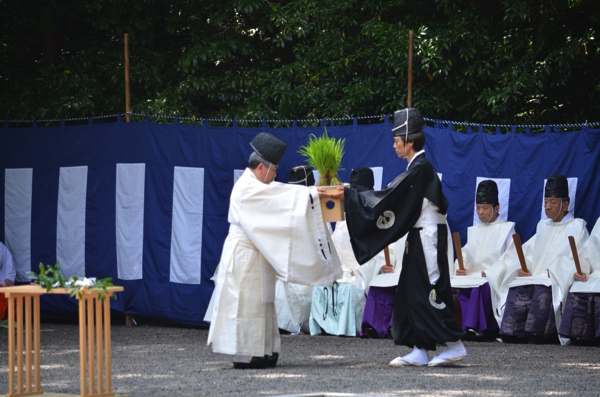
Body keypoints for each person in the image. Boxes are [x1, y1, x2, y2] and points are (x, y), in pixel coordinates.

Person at [321, 108, 466, 367]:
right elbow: (391, 195)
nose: (394, 145)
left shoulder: (420, 167)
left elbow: (389, 197)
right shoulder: (416, 168)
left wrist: (350, 193)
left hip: (427, 238)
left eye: (397, 141)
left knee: (428, 290)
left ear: (410, 141)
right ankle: (420, 349)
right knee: (412, 291)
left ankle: (455, 345)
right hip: (418, 237)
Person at [207, 132, 342, 369]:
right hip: (245, 254)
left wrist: (312, 193)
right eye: (274, 169)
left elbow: (278, 193)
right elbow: (279, 197)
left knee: (263, 302)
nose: (276, 174)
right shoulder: (246, 188)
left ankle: (265, 349)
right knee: (247, 303)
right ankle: (247, 353)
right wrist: (311, 193)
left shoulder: (255, 185)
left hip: (257, 253)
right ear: (262, 167)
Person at [497, 174, 589, 344]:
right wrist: (523, 267)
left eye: (553, 203)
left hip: (555, 277)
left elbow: (582, 256)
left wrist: (557, 270)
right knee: (518, 284)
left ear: (565, 204)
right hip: (537, 274)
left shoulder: (578, 226)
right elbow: (530, 252)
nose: (547, 207)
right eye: (545, 202)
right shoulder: (542, 225)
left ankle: (538, 332)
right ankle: (513, 332)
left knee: (543, 288)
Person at [309, 167, 394, 337]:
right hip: (343, 269)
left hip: (362, 272)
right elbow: (335, 246)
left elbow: (383, 254)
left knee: (349, 286)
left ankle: (346, 327)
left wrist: (360, 271)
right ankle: (323, 326)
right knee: (322, 283)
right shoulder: (344, 217)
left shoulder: (376, 217)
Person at [451, 180, 515, 341]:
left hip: (490, 278)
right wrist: (460, 267)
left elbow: (510, 259)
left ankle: (474, 327)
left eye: (485, 208)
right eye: (478, 208)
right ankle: (453, 327)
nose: (481, 212)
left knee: (479, 287)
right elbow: (464, 254)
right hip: (471, 276)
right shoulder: (474, 230)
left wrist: (490, 272)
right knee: (455, 284)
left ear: (496, 208)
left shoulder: (507, 229)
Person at [274, 165, 317, 334]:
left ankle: (288, 323)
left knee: (285, 283)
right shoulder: (285, 211)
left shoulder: (317, 213)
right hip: (288, 264)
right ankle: (275, 323)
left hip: (309, 270)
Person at [559, 216, 600, 345]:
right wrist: (581, 270)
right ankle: (581, 336)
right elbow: (589, 252)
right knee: (579, 287)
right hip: (596, 274)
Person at [0, 241, 16, 320]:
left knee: (13, 294)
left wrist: (8, 279)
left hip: (1, 281)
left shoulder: (0, 246)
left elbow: (7, 263)